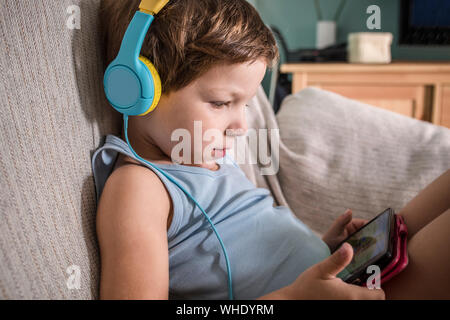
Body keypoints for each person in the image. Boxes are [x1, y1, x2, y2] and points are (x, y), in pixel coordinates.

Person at [93, 0, 450, 299]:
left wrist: (317, 245)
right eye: (220, 103)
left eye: (244, 105)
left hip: (337, 276)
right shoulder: (139, 190)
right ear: (136, 87)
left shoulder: (202, 155)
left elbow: (244, 242)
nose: (241, 128)